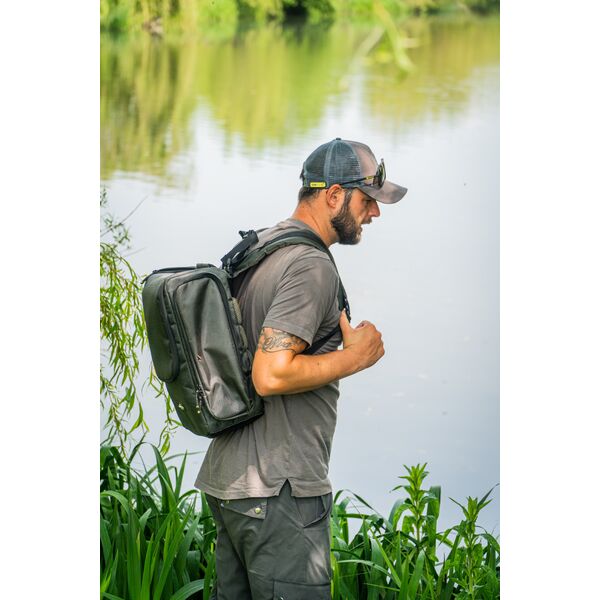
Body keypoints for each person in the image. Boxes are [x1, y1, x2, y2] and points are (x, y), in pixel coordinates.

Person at [195, 138, 408, 599]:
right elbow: (270, 374)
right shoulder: (311, 265)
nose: (375, 212)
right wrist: (355, 358)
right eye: (367, 200)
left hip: (234, 484)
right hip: (280, 491)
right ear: (333, 195)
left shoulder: (264, 246)